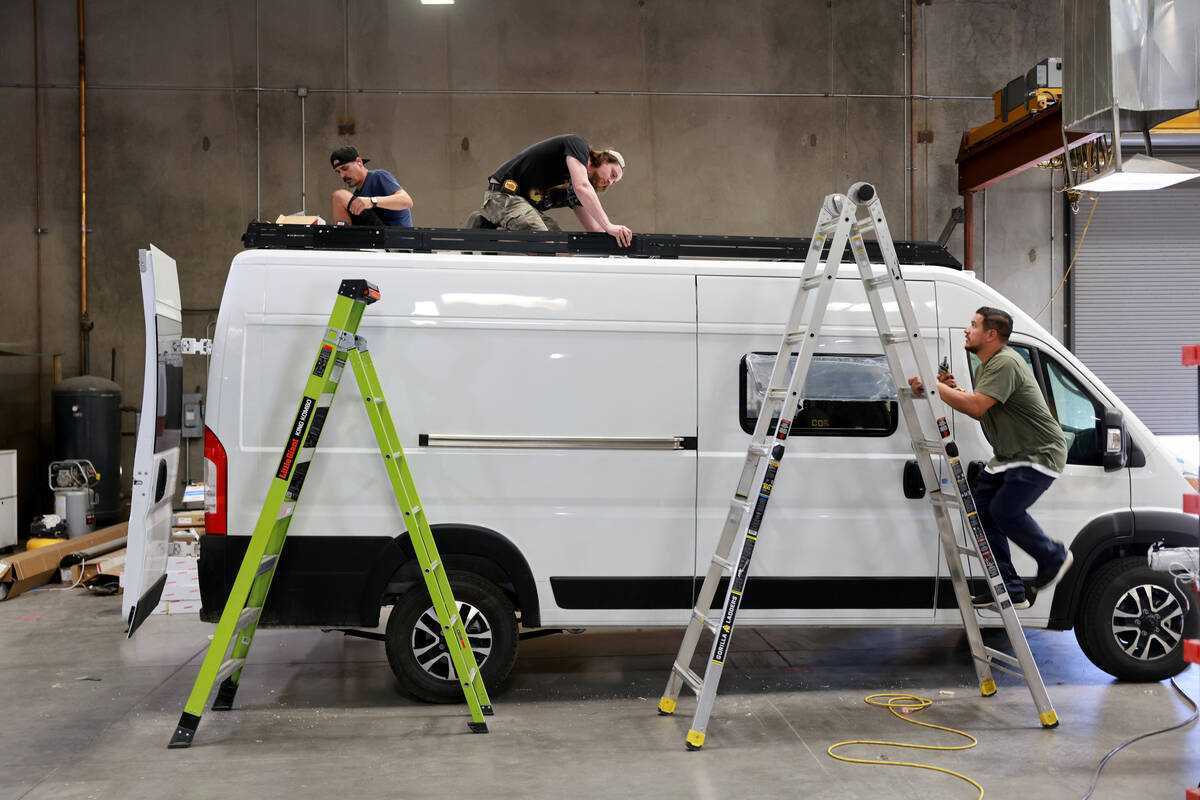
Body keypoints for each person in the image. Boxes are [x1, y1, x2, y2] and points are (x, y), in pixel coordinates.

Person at [907, 307, 1073, 610]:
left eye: (973, 325)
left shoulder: (1007, 362)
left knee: (1005, 510)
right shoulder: (986, 367)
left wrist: (936, 388)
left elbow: (976, 408)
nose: (966, 330)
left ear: (991, 334)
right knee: (982, 514)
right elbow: (985, 405)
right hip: (1009, 455)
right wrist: (952, 389)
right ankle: (1010, 588)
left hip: (1038, 452)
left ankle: (1054, 555)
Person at [476, 133, 632, 247]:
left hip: (525, 206)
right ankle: (484, 232)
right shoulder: (577, 146)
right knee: (547, 244)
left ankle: (488, 231)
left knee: (561, 248)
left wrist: (620, 241)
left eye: (613, 182)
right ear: (604, 159)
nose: (609, 181)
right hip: (503, 195)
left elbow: (594, 228)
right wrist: (609, 224)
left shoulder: (577, 190)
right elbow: (582, 187)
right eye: (612, 174)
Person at [329, 145, 413, 227]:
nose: (342, 176)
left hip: (393, 236)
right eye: (338, 172)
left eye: (345, 168)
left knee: (340, 196)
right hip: (375, 236)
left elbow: (407, 201)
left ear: (359, 162)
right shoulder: (357, 195)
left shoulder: (379, 176)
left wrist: (372, 201)